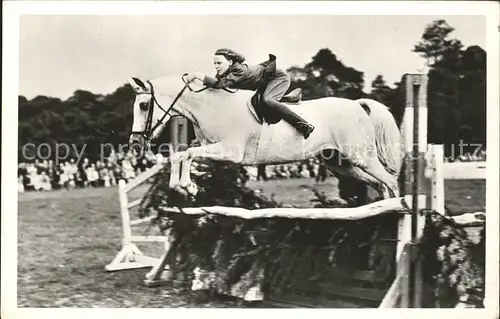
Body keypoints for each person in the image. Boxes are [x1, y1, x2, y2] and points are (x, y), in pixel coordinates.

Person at [185, 48, 315, 139]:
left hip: (278, 77)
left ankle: (304, 125)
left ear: (230, 62)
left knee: (268, 100)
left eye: (219, 63)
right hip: (265, 83)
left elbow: (219, 85)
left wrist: (198, 75)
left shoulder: (238, 70)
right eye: (214, 63)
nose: (216, 66)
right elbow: (216, 87)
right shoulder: (226, 73)